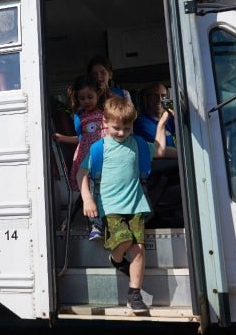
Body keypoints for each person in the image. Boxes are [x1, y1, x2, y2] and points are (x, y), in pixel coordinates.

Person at [75, 95, 173, 314]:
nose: (121, 133)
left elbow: (159, 150)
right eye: (117, 128)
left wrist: (162, 123)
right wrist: (87, 198)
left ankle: (134, 294)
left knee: (138, 249)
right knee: (124, 241)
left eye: (127, 128)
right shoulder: (99, 149)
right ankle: (116, 259)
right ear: (105, 124)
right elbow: (82, 173)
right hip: (109, 207)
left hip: (136, 205)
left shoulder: (137, 144)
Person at [52, 75, 106, 241]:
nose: (86, 101)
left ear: (98, 94)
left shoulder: (105, 113)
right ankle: (94, 225)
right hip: (84, 157)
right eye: (82, 98)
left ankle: (101, 222)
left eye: (90, 97)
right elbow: (81, 138)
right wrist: (62, 138)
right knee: (88, 190)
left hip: (101, 155)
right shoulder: (79, 117)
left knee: (100, 189)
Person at [134, 83, 176, 149]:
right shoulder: (141, 124)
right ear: (146, 99)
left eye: (163, 96)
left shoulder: (169, 120)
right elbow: (157, 150)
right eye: (155, 96)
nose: (159, 99)